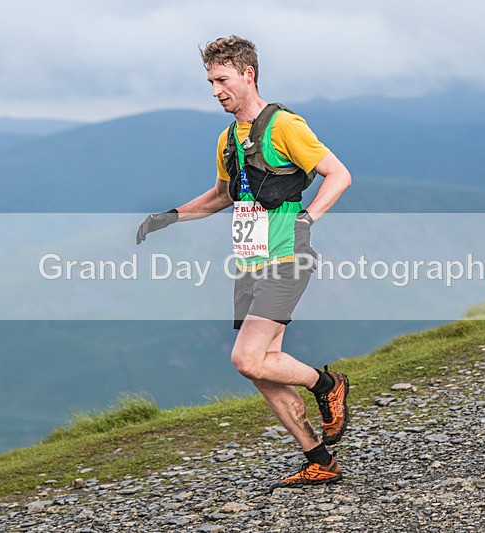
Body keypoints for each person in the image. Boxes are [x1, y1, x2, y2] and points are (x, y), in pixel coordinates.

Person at [135, 35, 352, 491]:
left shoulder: (285, 126)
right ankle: (319, 458)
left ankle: (326, 384)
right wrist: (169, 218)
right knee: (263, 366)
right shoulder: (227, 138)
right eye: (210, 81)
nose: (215, 90)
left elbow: (339, 174)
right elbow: (220, 196)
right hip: (250, 261)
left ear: (247, 74)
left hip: (287, 258)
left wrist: (308, 218)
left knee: (246, 358)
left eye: (221, 79)